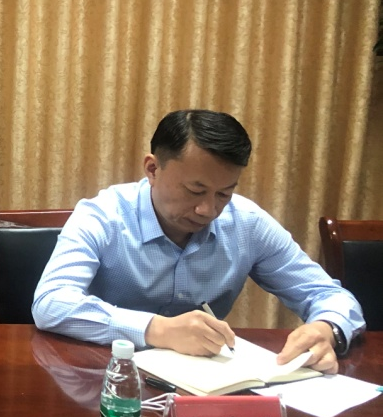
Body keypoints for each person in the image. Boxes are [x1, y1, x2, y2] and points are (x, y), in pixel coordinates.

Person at [33, 109, 364, 373]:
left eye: (223, 193)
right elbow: (52, 302)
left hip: (205, 386)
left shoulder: (247, 224)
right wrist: (157, 330)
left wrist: (328, 328)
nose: (208, 209)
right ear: (152, 169)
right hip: (103, 378)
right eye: (195, 190)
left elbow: (329, 295)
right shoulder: (103, 216)